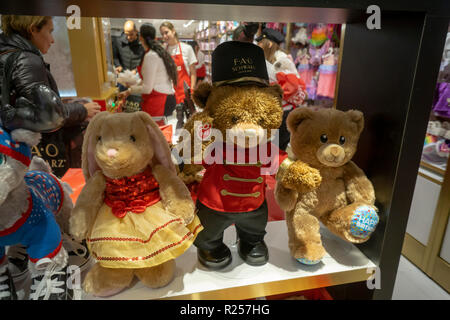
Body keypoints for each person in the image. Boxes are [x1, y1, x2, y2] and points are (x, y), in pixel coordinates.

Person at [0, 15, 100, 300]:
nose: (52, 39)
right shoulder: (25, 59)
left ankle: (16, 258)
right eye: (50, 31)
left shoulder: (5, 53)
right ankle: (57, 257)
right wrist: (80, 110)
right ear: (33, 28)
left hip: (9, 147)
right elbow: (47, 116)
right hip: (23, 148)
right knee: (38, 202)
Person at [256, 28, 307, 150]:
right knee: (273, 151)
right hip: (280, 112)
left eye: (261, 42)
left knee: (274, 151)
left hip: (283, 113)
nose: (258, 45)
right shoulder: (275, 58)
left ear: (269, 43)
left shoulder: (281, 60)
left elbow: (290, 88)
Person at [119, 23, 177, 121]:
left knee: (155, 134)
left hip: (158, 101)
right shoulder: (155, 53)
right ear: (155, 37)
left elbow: (147, 88)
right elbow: (149, 81)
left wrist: (130, 89)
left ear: (140, 37)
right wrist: (131, 89)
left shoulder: (151, 56)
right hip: (160, 98)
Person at [160, 21, 197, 104]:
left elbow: (193, 73)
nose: (164, 36)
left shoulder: (187, 48)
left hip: (185, 94)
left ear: (173, 31)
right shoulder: (163, 51)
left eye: (166, 32)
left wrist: (192, 90)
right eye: (162, 34)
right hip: (169, 93)